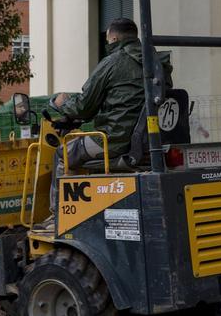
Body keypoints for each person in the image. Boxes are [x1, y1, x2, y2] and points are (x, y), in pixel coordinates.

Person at [46, 17, 168, 218]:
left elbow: (84, 107)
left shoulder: (112, 62)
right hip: (150, 139)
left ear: (112, 38)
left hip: (114, 140)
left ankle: (60, 216)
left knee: (63, 154)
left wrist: (61, 103)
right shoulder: (157, 62)